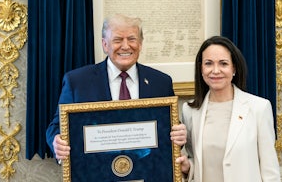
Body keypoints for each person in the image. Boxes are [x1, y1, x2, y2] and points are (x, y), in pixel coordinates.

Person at [46, 13, 187, 162]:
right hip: (96, 173)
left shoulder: (161, 82)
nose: (125, 46)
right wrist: (57, 141)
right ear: (105, 44)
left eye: (132, 39)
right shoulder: (77, 82)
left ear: (140, 44)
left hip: (148, 172)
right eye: (118, 40)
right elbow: (56, 127)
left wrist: (180, 135)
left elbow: (170, 128)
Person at [176, 36, 281, 182]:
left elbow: (270, 170)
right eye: (208, 63)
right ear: (201, 68)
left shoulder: (259, 108)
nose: (216, 70)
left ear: (234, 69)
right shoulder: (190, 110)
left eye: (223, 64)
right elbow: (196, 159)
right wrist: (188, 167)